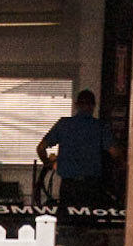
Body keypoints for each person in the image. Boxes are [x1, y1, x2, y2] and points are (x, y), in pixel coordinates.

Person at [37, 89, 113, 226]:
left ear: (76, 105)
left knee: (67, 224)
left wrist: (49, 164)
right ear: (93, 106)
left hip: (68, 186)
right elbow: (115, 152)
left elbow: (41, 148)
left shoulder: (64, 124)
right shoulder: (100, 126)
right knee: (89, 225)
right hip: (91, 186)